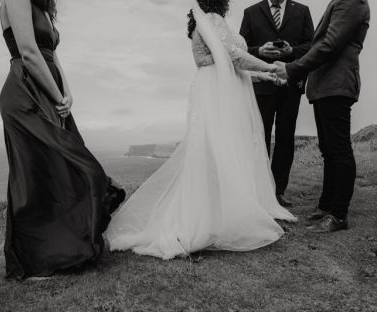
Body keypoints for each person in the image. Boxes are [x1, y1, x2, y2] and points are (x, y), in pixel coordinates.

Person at [106, 0, 296, 260]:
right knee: (221, 150)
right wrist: (270, 66)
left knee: (215, 152)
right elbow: (234, 57)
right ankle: (213, 217)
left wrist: (264, 77)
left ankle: (218, 210)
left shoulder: (206, 23)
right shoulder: (213, 21)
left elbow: (230, 67)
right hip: (219, 94)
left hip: (217, 89)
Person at [0, 0, 125, 279]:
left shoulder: (42, 6)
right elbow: (30, 53)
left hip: (51, 94)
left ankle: (60, 251)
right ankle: (35, 260)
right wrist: (58, 96)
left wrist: (68, 95)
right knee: (41, 177)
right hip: (27, 93)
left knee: (58, 174)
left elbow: (52, 55)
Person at [274, 0, 370, 233]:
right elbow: (321, 44)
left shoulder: (352, 2)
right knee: (328, 150)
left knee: (339, 150)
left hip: (337, 84)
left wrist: (293, 68)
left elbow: (329, 44)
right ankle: (326, 206)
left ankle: (338, 214)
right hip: (324, 86)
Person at [239, 0, 314, 207]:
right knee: (259, 137)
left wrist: (291, 51)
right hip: (262, 84)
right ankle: (259, 189)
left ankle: (278, 191)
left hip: (291, 85)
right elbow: (241, 49)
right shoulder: (250, 12)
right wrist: (260, 52)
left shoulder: (303, 11)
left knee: (285, 137)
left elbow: (312, 45)